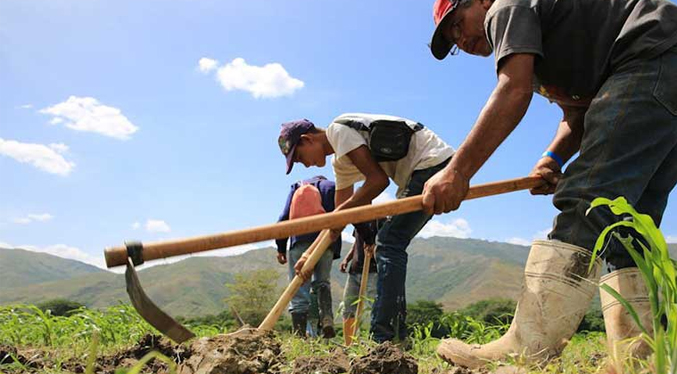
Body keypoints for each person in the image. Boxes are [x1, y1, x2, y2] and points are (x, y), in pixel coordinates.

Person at [426, 0, 677, 368]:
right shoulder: (542, 42)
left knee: (585, 201)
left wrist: (457, 171)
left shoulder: (505, 8)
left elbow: (513, 90)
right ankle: (640, 357)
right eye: (452, 40)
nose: (460, 40)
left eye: (458, 24)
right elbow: (579, 112)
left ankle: (527, 349)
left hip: (650, 56)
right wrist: (553, 158)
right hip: (663, 69)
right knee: (628, 225)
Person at [277, 113, 455, 343]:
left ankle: (385, 338)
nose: (304, 164)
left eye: (299, 157)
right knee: (391, 243)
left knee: (389, 243)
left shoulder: (338, 130)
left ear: (308, 139)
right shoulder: (341, 162)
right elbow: (338, 219)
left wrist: (340, 214)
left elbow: (377, 181)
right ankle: (394, 336)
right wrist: (311, 253)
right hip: (418, 175)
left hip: (432, 165)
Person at [276, 175, 342, 338]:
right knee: (322, 282)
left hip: (299, 241)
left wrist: (281, 248)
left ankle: (299, 335)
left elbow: (284, 218)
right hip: (325, 242)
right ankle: (326, 317)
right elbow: (344, 213)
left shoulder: (297, 187)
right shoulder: (331, 187)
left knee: (299, 288)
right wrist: (368, 239)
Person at [340, 224, 379, 346]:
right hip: (355, 270)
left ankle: (376, 343)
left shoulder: (379, 221)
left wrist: (375, 249)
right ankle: (349, 344)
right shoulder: (360, 221)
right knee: (348, 307)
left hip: (372, 270)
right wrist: (347, 259)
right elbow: (356, 242)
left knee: (373, 306)